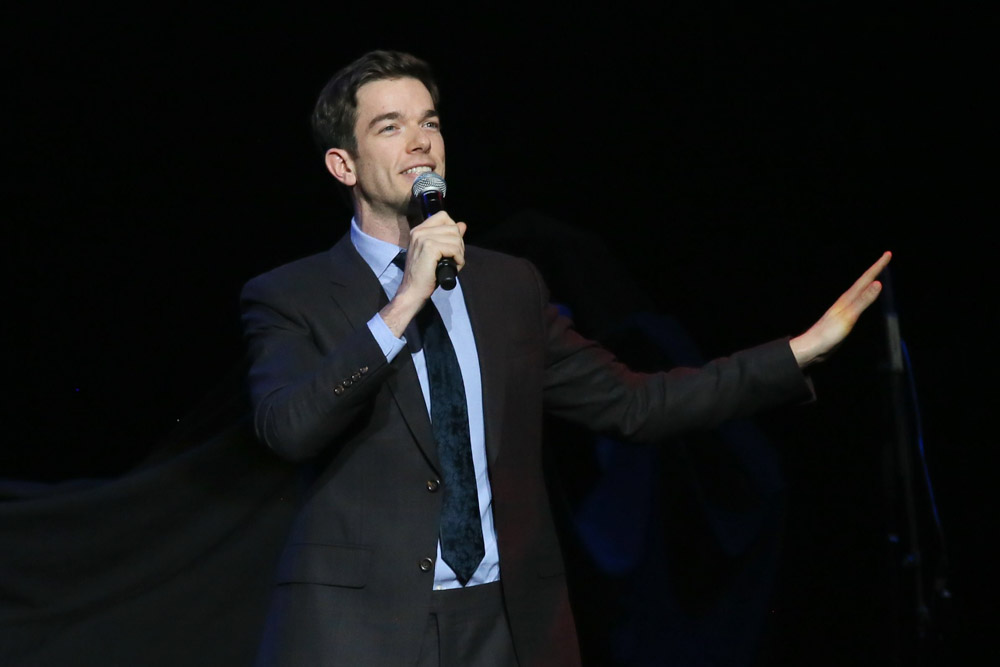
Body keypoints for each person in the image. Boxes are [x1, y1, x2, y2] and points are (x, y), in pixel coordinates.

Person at [239, 49, 891, 667]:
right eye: (390, 126)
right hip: (362, 630)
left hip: (505, 621)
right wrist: (404, 300)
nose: (420, 141)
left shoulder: (507, 285)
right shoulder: (289, 295)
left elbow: (635, 402)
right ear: (342, 165)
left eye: (429, 122)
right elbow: (289, 428)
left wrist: (797, 351)